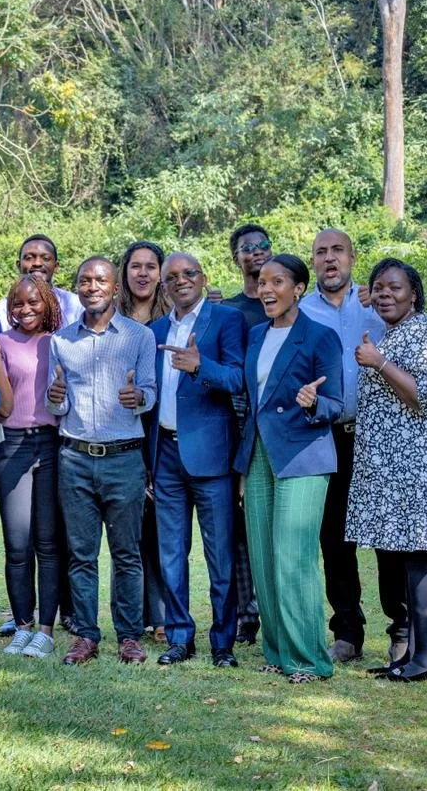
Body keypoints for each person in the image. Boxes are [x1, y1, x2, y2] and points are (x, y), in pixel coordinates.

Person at [347, 259, 427, 682]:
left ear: (413, 293)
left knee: (420, 558)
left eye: (394, 288)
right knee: (402, 561)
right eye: (377, 287)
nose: (384, 294)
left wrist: (378, 363)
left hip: (420, 468)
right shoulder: (392, 333)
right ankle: (411, 655)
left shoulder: (426, 331)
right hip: (391, 471)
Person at [234, 254, 342, 684]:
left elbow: (336, 404)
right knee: (262, 556)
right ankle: (278, 652)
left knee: (293, 557)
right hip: (259, 454)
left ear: (298, 288)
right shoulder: (257, 335)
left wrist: (315, 403)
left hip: (304, 452)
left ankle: (309, 660)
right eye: (262, 282)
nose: (266, 289)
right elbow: (251, 402)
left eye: (277, 282)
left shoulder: (321, 337)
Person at [47, 256, 157, 666]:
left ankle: (129, 636)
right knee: (81, 554)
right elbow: (53, 403)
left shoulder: (138, 337)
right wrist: (54, 399)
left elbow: (149, 391)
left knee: (127, 553)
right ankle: (86, 635)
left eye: (100, 280)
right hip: (74, 459)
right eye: (85, 280)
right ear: (78, 288)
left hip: (124, 458)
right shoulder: (60, 340)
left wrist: (139, 398)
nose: (92, 286)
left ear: (115, 288)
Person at [148, 253, 246, 668]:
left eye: (188, 274)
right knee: (171, 554)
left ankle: (223, 643)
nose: (181, 281)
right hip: (164, 454)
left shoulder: (226, 321)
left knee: (220, 555)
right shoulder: (153, 330)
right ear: (164, 287)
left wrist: (199, 366)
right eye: (172, 277)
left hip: (211, 456)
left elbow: (239, 379)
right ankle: (179, 637)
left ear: (203, 279)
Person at [299, 229, 385, 664]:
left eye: (337, 251)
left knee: (389, 534)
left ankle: (402, 627)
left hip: (378, 436)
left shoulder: (378, 305)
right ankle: (347, 630)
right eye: (321, 253)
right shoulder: (301, 311)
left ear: (352, 257)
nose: (330, 259)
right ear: (312, 262)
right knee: (334, 538)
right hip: (327, 437)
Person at [0, 275, 64, 660]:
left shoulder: (59, 343)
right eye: (17, 303)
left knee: (48, 544)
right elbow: (2, 405)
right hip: (11, 445)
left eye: (33, 302)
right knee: (18, 546)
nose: (25, 309)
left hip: (49, 444)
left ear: (46, 302)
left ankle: (46, 631)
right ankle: (22, 626)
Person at [220, 222, 272, 645]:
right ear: (236, 258)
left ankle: (276, 610)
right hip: (237, 422)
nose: (256, 252)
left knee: (274, 526)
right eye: (247, 248)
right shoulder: (230, 310)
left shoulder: (292, 301)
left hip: (279, 425)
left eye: (263, 246)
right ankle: (245, 613)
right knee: (239, 529)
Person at [118, 240, 170, 643]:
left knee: (159, 533)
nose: (143, 273)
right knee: (130, 536)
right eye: (135, 266)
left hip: (161, 435)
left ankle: (162, 615)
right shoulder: (112, 319)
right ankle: (133, 616)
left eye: (151, 266)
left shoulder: (174, 319)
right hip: (121, 435)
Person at [0, 234, 83, 335]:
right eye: (29, 258)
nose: (37, 263)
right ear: (19, 265)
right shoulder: (0, 310)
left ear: (56, 266)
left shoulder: (75, 305)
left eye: (46, 258)